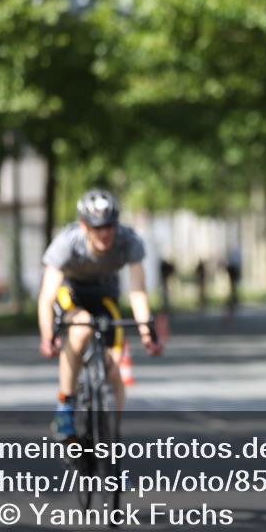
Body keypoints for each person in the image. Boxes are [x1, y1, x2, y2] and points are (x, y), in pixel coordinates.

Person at [37, 188, 163, 441]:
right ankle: (66, 404)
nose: (105, 233)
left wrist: (147, 333)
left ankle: (111, 441)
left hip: (105, 296)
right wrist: (48, 335)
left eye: (109, 226)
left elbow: (138, 290)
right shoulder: (67, 244)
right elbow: (47, 296)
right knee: (81, 328)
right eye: (97, 228)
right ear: (84, 226)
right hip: (70, 295)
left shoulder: (129, 241)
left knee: (114, 371)